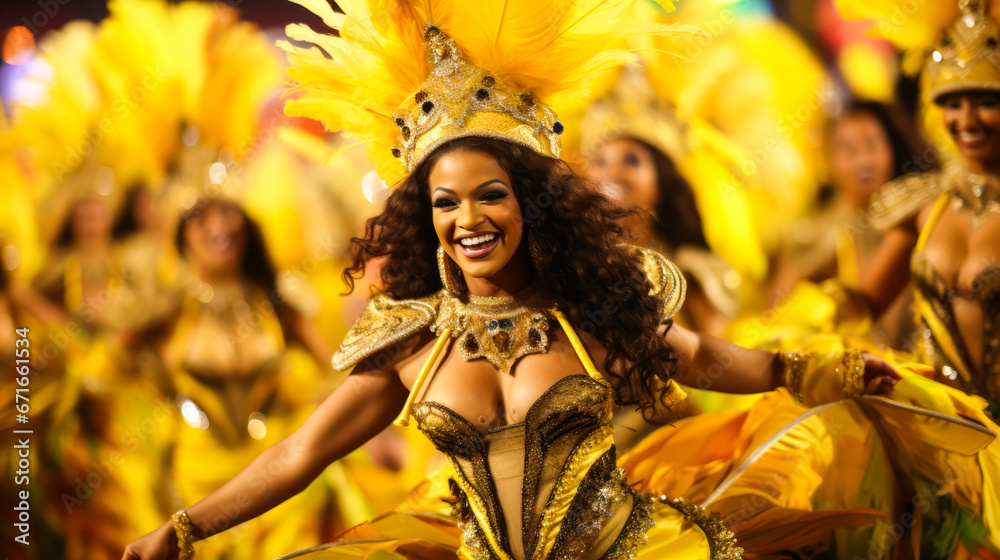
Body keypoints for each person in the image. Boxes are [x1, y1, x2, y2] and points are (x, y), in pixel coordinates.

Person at [120, 3, 912, 558]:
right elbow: (300, 454)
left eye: (491, 194)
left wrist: (815, 370)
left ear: (531, 204)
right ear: (425, 217)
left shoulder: (586, 312)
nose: (469, 219)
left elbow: (705, 358)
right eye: (446, 202)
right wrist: (185, 528)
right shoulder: (414, 347)